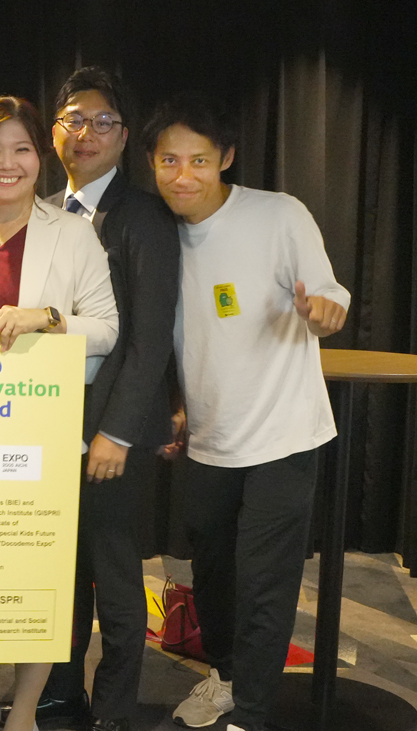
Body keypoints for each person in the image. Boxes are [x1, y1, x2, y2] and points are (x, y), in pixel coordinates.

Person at [144, 94, 349, 731]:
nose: (184, 175)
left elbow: (329, 291)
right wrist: (175, 407)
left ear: (225, 158)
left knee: (264, 582)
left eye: (199, 160)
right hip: (211, 438)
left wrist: (325, 310)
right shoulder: (156, 234)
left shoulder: (278, 215)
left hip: (285, 435)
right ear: (151, 163)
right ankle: (229, 679)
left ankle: (252, 717)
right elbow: (175, 335)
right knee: (212, 576)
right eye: (169, 160)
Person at [0, 96, 118, 731]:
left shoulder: (73, 233)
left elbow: (109, 328)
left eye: (21, 150)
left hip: (39, 433)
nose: (6, 163)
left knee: (36, 578)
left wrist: (47, 318)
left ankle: (26, 713)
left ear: (41, 158)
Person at [34, 67, 181, 731]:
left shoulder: (144, 217)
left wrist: (117, 432)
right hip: (48, 426)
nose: (85, 134)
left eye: (102, 122)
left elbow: (151, 339)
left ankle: (115, 712)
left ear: (125, 137)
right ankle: (60, 695)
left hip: (112, 436)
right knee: (58, 576)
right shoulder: (41, 211)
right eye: (73, 120)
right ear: (53, 132)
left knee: (117, 584)